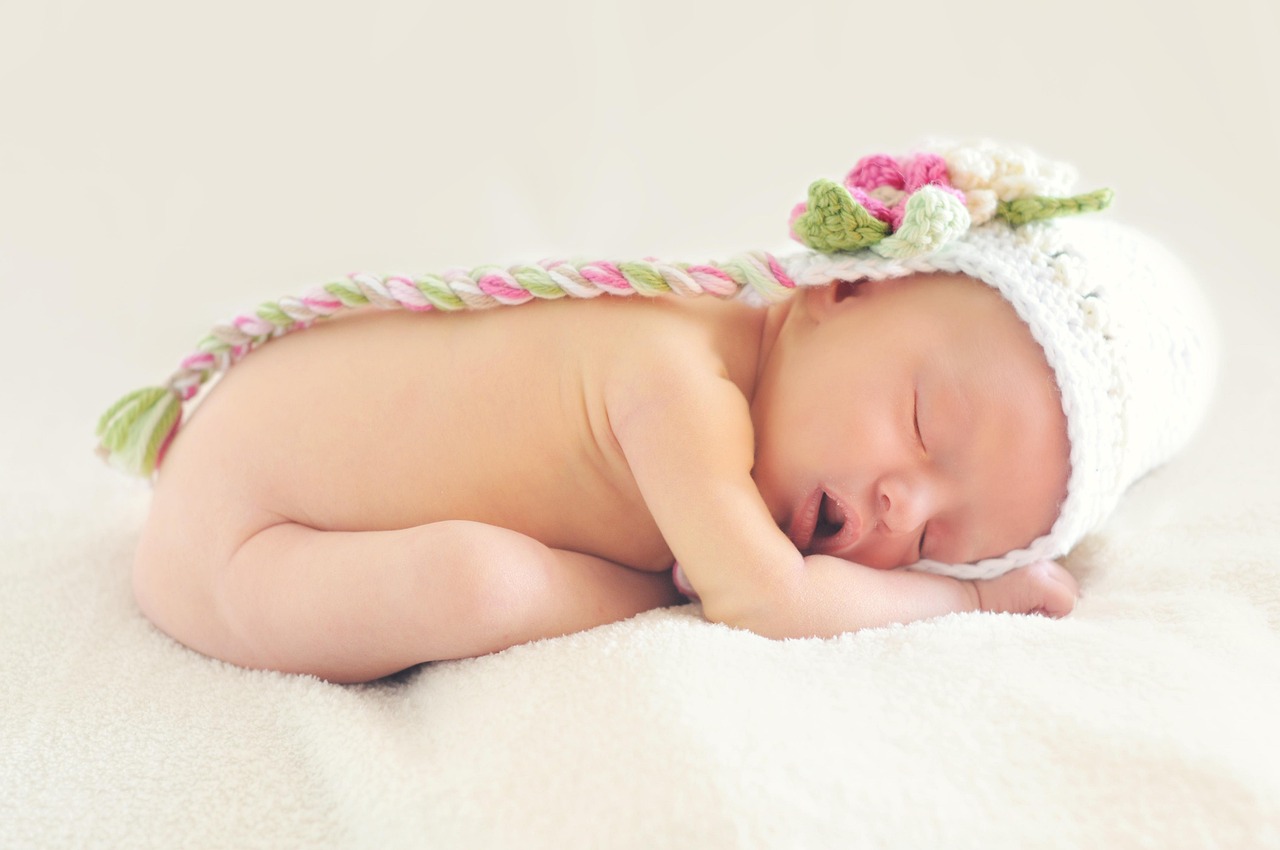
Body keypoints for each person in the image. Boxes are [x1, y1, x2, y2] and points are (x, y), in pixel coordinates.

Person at [97, 141, 1216, 683]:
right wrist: (958, 590)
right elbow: (766, 604)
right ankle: (650, 584)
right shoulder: (677, 379)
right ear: (841, 290)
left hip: (263, 483)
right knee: (475, 585)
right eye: (923, 426)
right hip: (236, 545)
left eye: (938, 532)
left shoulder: (730, 363)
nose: (896, 501)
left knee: (489, 573)